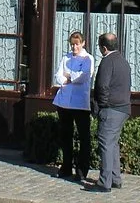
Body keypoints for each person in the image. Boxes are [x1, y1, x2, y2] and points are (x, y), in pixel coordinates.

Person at [90, 32, 130, 193]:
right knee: (112, 143)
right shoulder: (123, 61)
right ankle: (115, 178)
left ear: (103, 48)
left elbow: (102, 86)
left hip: (111, 108)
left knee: (106, 143)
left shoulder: (107, 62)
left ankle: (104, 182)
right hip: (124, 108)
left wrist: (102, 105)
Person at [52, 31, 93, 183]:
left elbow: (84, 76)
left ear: (82, 43)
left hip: (80, 104)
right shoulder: (66, 57)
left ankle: (82, 170)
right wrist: (66, 78)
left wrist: (69, 76)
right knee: (65, 136)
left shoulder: (88, 59)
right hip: (64, 102)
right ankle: (66, 166)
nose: (74, 47)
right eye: (72, 44)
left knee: (83, 137)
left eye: (77, 44)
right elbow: (58, 75)